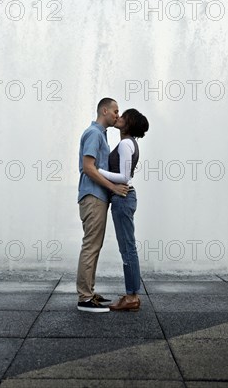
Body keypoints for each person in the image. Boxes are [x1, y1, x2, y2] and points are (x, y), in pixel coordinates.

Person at [76, 97, 130, 313]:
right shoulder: (94, 134)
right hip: (93, 196)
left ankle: (88, 291)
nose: (118, 115)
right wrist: (114, 188)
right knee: (91, 246)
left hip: (97, 196)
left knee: (94, 246)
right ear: (104, 110)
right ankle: (85, 298)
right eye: (116, 111)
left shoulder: (101, 136)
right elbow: (88, 167)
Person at [97, 108, 149, 311]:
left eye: (123, 116)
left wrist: (96, 170)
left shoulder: (126, 144)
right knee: (127, 248)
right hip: (123, 198)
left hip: (123, 198)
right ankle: (132, 294)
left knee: (128, 249)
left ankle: (132, 296)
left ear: (129, 123)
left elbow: (125, 177)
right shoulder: (127, 143)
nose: (119, 117)